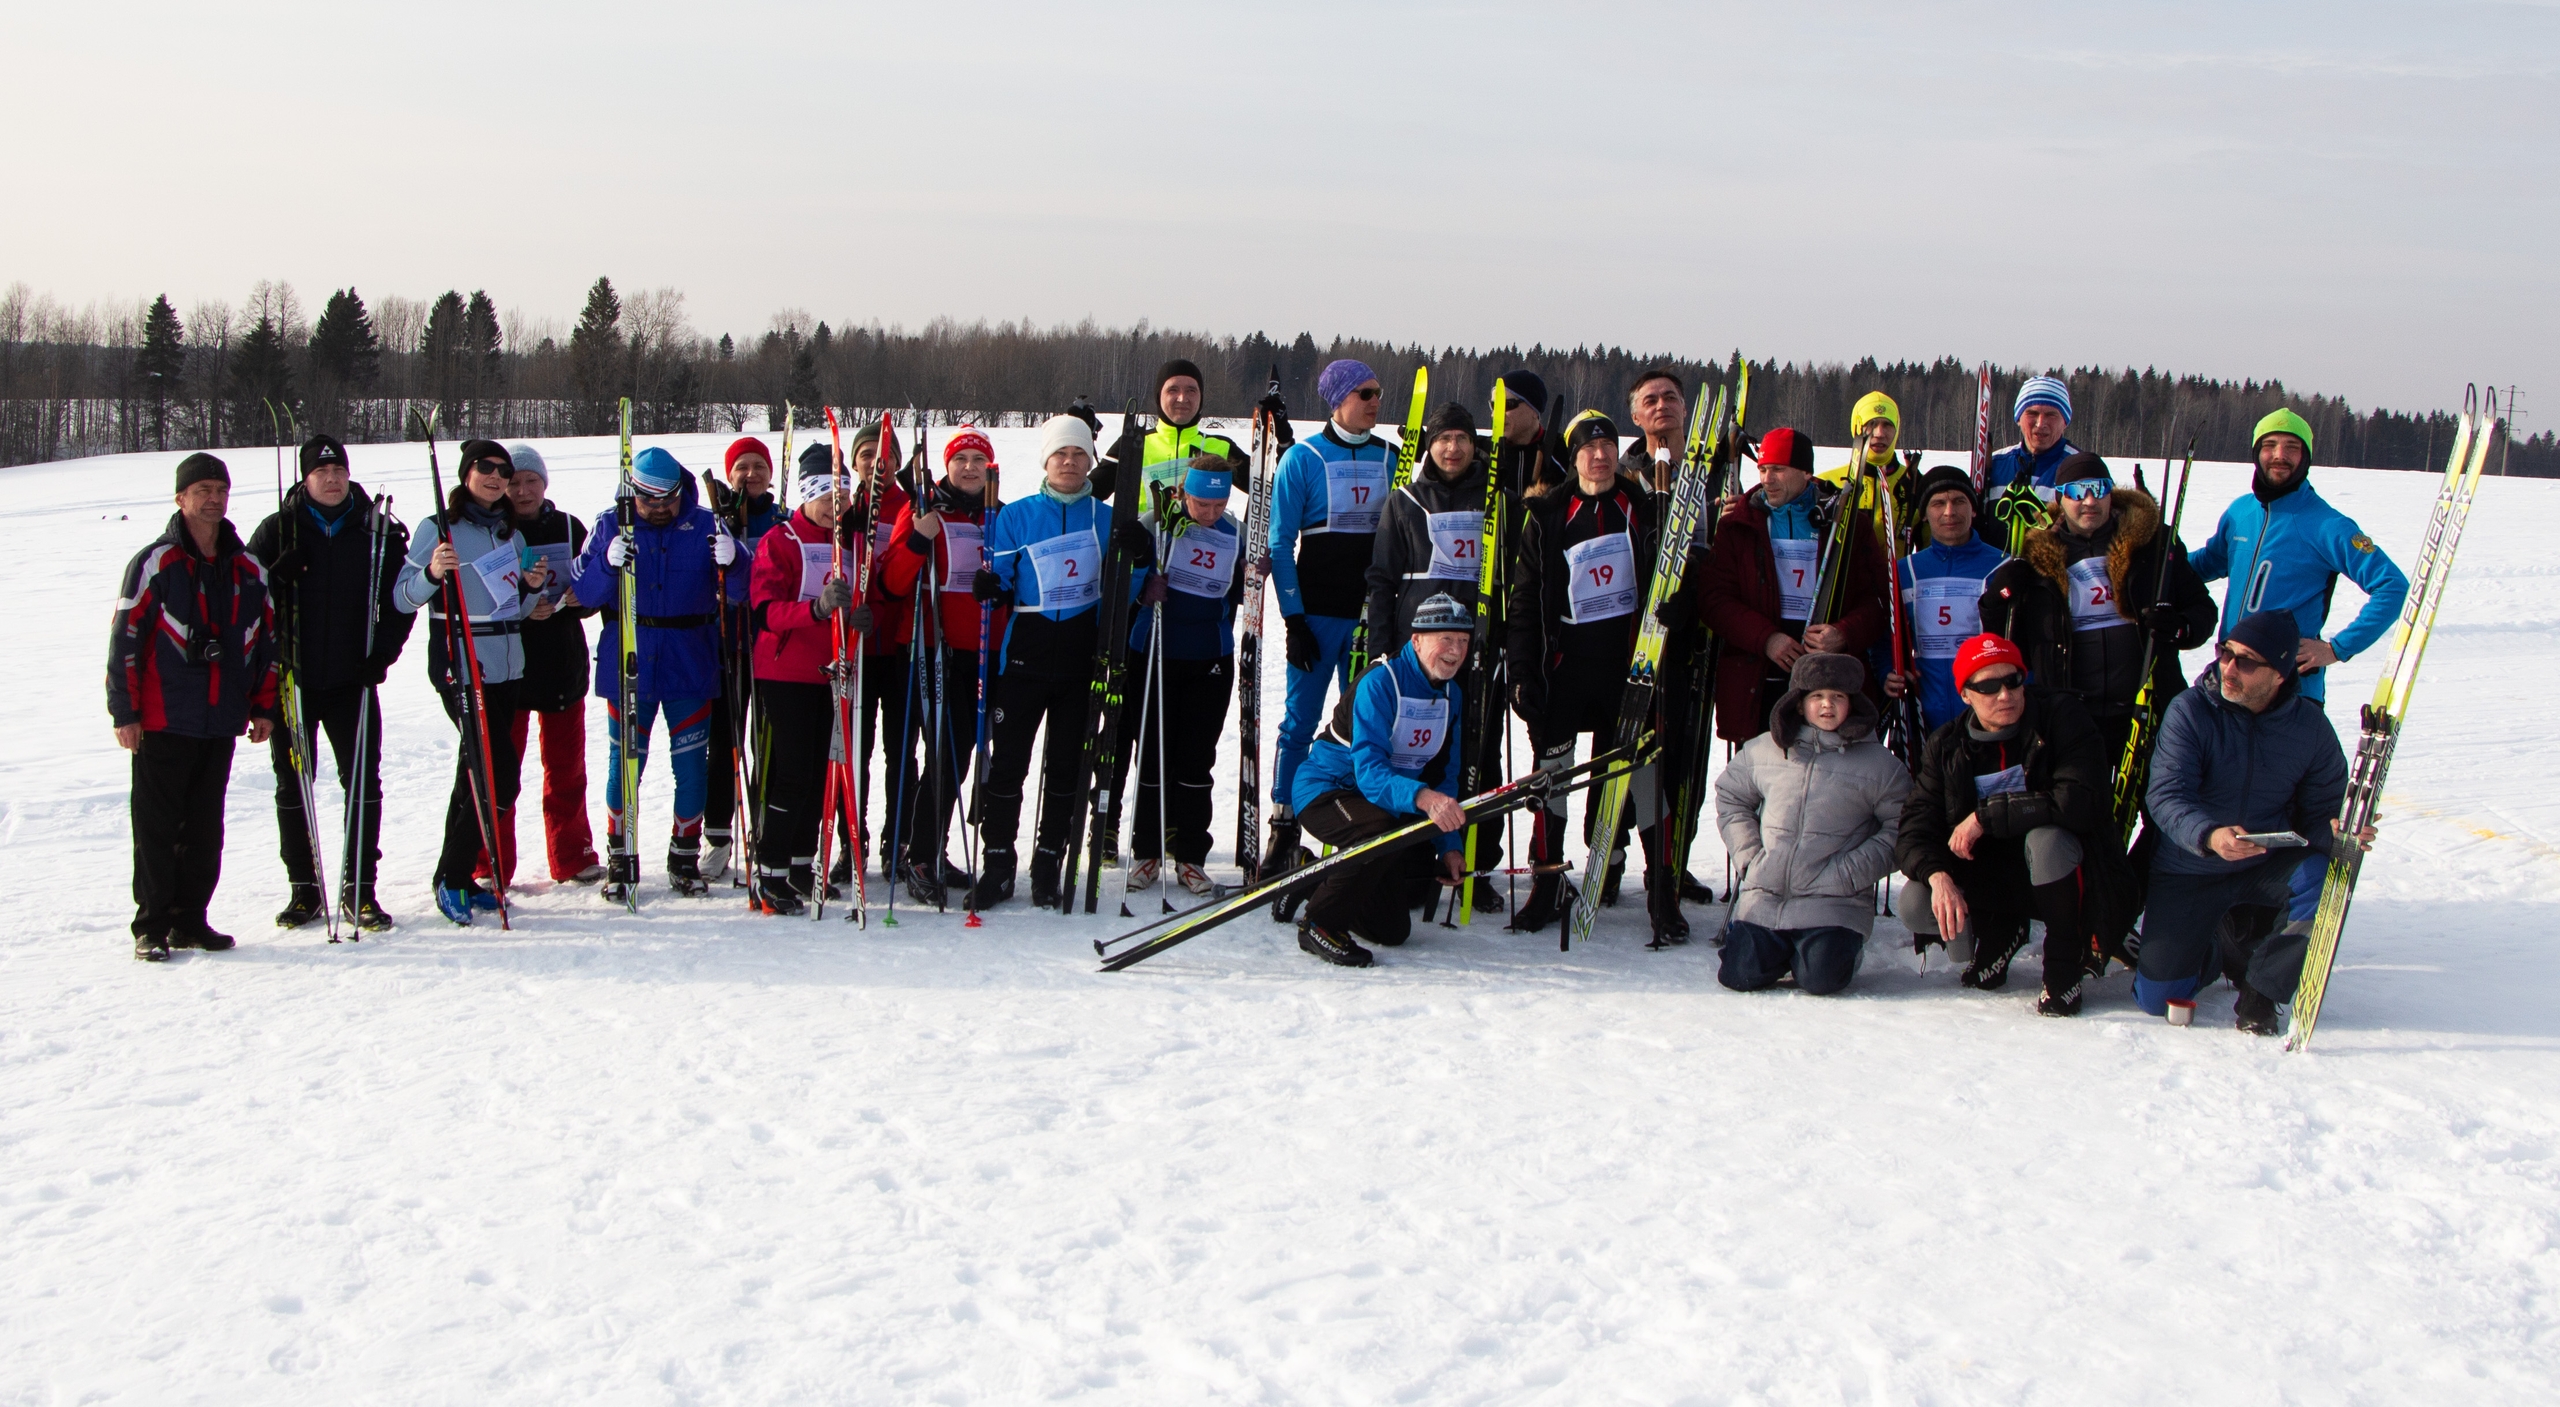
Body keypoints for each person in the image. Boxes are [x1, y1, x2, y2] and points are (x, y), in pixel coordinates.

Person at [1893, 634, 2139, 1015]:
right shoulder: (1947, 745)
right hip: (1993, 876)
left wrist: (1985, 816)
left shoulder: (2062, 717)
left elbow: (2080, 800)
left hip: (2068, 877)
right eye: (1988, 686)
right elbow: (1914, 827)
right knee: (1915, 899)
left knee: (2047, 841)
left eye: (2013, 681)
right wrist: (1938, 875)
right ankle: (2000, 932)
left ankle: (2063, 963)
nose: (2004, 694)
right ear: (1965, 695)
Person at [968, 413, 1154, 908]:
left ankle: (1049, 861)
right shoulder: (1018, 515)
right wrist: (987, 587)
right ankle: (999, 863)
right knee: (1008, 766)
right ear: (1046, 461)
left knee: (1068, 767)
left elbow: (1126, 592)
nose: (1069, 463)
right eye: (1060, 455)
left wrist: (1139, 556)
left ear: (1090, 462)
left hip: (1080, 658)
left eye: (1078, 455)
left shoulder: (1105, 517)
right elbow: (999, 581)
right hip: (1025, 657)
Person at [2137, 611, 2350, 1034]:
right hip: (2190, 868)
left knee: (2327, 882)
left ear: (2280, 675)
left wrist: (2345, 833)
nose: (2229, 668)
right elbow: (2165, 795)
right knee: (2159, 999)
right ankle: (2217, 947)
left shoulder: (2310, 728)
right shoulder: (2191, 711)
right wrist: (2210, 835)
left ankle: (2263, 990)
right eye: (2225, 653)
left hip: (2263, 865)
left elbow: (2322, 816)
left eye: (2247, 661)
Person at [110, 453, 279, 960]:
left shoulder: (248, 568)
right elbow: (125, 640)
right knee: (158, 827)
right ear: (181, 498)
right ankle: (152, 926)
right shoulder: (155, 563)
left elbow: (265, 643)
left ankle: (191, 919)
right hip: (164, 718)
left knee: (206, 829)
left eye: (220, 490)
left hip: (221, 719)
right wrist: (125, 712)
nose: (213, 499)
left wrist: (262, 707)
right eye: (202, 489)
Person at [1505, 411, 1666, 935]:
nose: (1600, 455)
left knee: (1641, 778)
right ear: (1573, 457)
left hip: (1629, 672)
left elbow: (1672, 580)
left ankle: (1661, 890)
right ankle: (1547, 883)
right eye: (1588, 447)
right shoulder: (1550, 512)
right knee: (1550, 778)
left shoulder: (1641, 507)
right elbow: (1525, 599)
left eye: (1608, 445)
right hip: (1565, 670)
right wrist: (1524, 669)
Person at [245, 434, 414, 932]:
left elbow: (400, 602)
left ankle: (359, 890)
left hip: (352, 681)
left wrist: (382, 654)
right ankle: (304, 889)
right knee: (293, 783)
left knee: (362, 782)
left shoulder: (376, 530)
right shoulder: (277, 531)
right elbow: (244, 599)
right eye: (321, 472)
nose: (332, 478)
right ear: (305, 477)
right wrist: (274, 581)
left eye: (338, 469)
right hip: (292, 683)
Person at [570, 445, 737, 905]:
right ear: (633, 493)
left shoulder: (705, 524)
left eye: (668, 499)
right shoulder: (611, 523)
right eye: (649, 501)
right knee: (625, 766)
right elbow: (582, 590)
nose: (659, 509)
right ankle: (621, 856)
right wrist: (607, 561)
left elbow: (743, 590)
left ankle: (684, 854)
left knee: (690, 766)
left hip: (690, 660)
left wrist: (734, 559)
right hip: (631, 660)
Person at [394, 440, 548, 925]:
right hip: (462, 664)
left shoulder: (511, 535)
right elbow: (401, 596)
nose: (496, 477)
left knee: (476, 773)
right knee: (496, 772)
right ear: (466, 473)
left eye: (504, 470)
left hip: (508, 665)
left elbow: (515, 610)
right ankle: (454, 875)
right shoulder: (439, 529)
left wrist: (532, 588)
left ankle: (452, 876)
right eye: (486, 468)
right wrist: (431, 572)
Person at [1978, 452, 2215, 758]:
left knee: (2161, 800)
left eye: (2099, 489)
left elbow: (2202, 609)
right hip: (2072, 716)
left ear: (2111, 494)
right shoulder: (2038, 559)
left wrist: (2180, 627)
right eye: (2077, 491)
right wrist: (1998, 598)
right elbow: (2009, 645)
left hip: (2148, 710)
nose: (2089, 501)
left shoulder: (2151, 545)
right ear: (2060, 498)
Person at [1365, 400, 1505, 912]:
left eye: (1462, 439)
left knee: (1478, 757)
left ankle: (1477, 861)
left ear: (1475, 444)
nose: (1452, 448)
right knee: (1419, 753)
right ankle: (1413, 856)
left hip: (1477, 650)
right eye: (1443, 438)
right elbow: (1381, 579)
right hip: (1416, 652)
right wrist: (1381, 648)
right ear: (1430, 444)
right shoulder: (1404, 500)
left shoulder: (1493, 498)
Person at [1288, 592, 1476, 966]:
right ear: (1417, 640)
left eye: (1464, 641)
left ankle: (1308, 880)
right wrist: (1425, 799)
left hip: (1381, 805)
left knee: (1392, 930)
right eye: (1447, 640)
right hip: (1327, 791)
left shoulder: (1451, 695)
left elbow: (1445, 778)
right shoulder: (1380, 682)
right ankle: (1319, 925)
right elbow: (1370, 773)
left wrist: (1449, 845)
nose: (1456, 651)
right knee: (1378, 830)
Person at [1712, 652, 1910, 996]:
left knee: (1821, 979)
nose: (1827, 706)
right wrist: (1750, 858)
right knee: (1739, 976)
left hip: (1835, 901)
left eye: (1838, 697)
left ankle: (1829, 952)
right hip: (1767, 896)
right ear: (1799, 703)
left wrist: (1850, 872)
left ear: (1854, 703)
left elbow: (1901, 827)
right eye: (1816, 696)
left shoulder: (1880, 765)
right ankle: (1779, 948)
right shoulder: (1765, 750)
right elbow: (1732, 798)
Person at [1267, 358, 1395, 875]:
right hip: (1318, 615)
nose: (1374, 401)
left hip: (1370, 616)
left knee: (1365, 728)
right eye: (1365, 393)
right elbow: (1280, 543)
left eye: (1377, 392)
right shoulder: (1302, 459)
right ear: (1338, 399)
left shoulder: (1393, 458)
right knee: (1299, 724)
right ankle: (1284, 826)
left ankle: (1355, 826)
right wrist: (1294, 619)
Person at [2190, 408, 2409, 703]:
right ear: (2257, 453)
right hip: (2231, 677)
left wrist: (2337, 649)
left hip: (2290, 691)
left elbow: (2393, 587)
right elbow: (2210, 562)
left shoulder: (2328, 525)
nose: (2279, 455)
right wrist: (2158, 560)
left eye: (2292, 447)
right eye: (2270, 445)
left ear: (2305, 457)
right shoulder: (2240, 512)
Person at [1691, 426, 1889, 748]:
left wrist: (1844, 633)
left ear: (1806, 473)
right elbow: (1715, 601)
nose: (1767, 479)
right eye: (1763, 469)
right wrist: (1766, 638)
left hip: (1829, 678)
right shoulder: (1738, 524)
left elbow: (1877, 602)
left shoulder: (1847, 523)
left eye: (1778, 470)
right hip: (1760, 677)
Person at [744, 449, 876, 914]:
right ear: (807, 495)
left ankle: (802, 864)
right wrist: (815, 610)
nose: (833, 504)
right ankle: (771, 869)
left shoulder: (854, 542)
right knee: (792, 774)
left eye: (840, 494)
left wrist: (859, 617)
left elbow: (864, 593)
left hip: (835, 671)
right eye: (824, 495)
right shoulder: (780, 540)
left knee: (823, 773)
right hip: (786, 671)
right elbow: (763, 609)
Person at [878, 426, 1006, 905]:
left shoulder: (1002, 515)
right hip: (935, 649)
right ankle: (918, 854)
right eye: (960, 459)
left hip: (986, 651)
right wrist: (916, 538)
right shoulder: (923, 511)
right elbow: (891, 582)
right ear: (947, 466)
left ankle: (932, 850)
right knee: (945, 757)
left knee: (965, 756)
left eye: (978, 459)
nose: (969, 467)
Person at [1120, 461, 1247, 895]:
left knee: (1196, 760)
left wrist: (1255, 578)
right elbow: (1122, 580)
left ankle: (1191, 856)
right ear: (1183, 494)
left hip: (1209, 657)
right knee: (1153, 755)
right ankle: (1147, 852)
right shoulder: (1155, 522)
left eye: (1219, 503)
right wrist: (1142, 588)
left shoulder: (1237, 533)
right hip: (1152, 650)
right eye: (1200, 503)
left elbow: (1238, 594)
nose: (1209, 512)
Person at [487, 445, 603, 888]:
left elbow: (593, 585)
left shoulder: (568, 526)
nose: (522, 491)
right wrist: (521, 605)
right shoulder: (493, 530)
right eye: (513, 482)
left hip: (560, 664)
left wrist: (580, 600)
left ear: (544, 484)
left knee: (566, 770)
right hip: (508, 668)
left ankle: (572, 855)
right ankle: (491, 862)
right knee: (500, 771)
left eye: (530, 481)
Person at [703, 435, 783, 884]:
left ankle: (766, 829)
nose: (750, 474)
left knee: (766, 744)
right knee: (724, 744)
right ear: (729, 472)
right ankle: (719, 837)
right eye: (741, 467)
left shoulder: (781, 519)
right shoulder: (716, 518)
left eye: (758, 466)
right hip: (725, 645)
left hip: (770, 646)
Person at [1884, 466, 2007, 731]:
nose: (1949, 512)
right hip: (1924, 715)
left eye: (1959, 501)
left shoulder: (2003, 567)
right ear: (1925, 515)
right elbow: (1884, 635)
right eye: (1938, 503)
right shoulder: (1905, 571)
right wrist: (1887, 671)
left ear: (1973, 509)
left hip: (1985, 714)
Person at [1091, 357, 1249, 505]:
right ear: (1159, 396)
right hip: (1144, 533)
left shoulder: (1221, 448)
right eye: (1173, 390)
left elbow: (1267, 490)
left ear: (1201, 397)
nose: (1182, 398)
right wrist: (1077, 436)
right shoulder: (1133, 444)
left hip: (1200, 535)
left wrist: (1274, 436)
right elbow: (1084, 493)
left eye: (1191, 391)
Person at [1980, 376, 2084, 554]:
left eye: (2051, 415)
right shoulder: (1994, 464)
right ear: (2019, 418)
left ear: (2064, 421)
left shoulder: (2080, 468)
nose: (2040, 423)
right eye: (2032, 413)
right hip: (1994, 576)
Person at [1816, 390, 1921, 549]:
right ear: (1856, 428)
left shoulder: (1915, 485)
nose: (1879, 433)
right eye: (1870, 424)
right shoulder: (1826, 483)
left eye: (1887, 425)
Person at [1490, 369, 1557, 497]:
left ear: (1533, 410)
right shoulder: (1482, 453)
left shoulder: (1562, 452)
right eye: (1494, 406)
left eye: (1507, 404)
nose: (1495, 414)